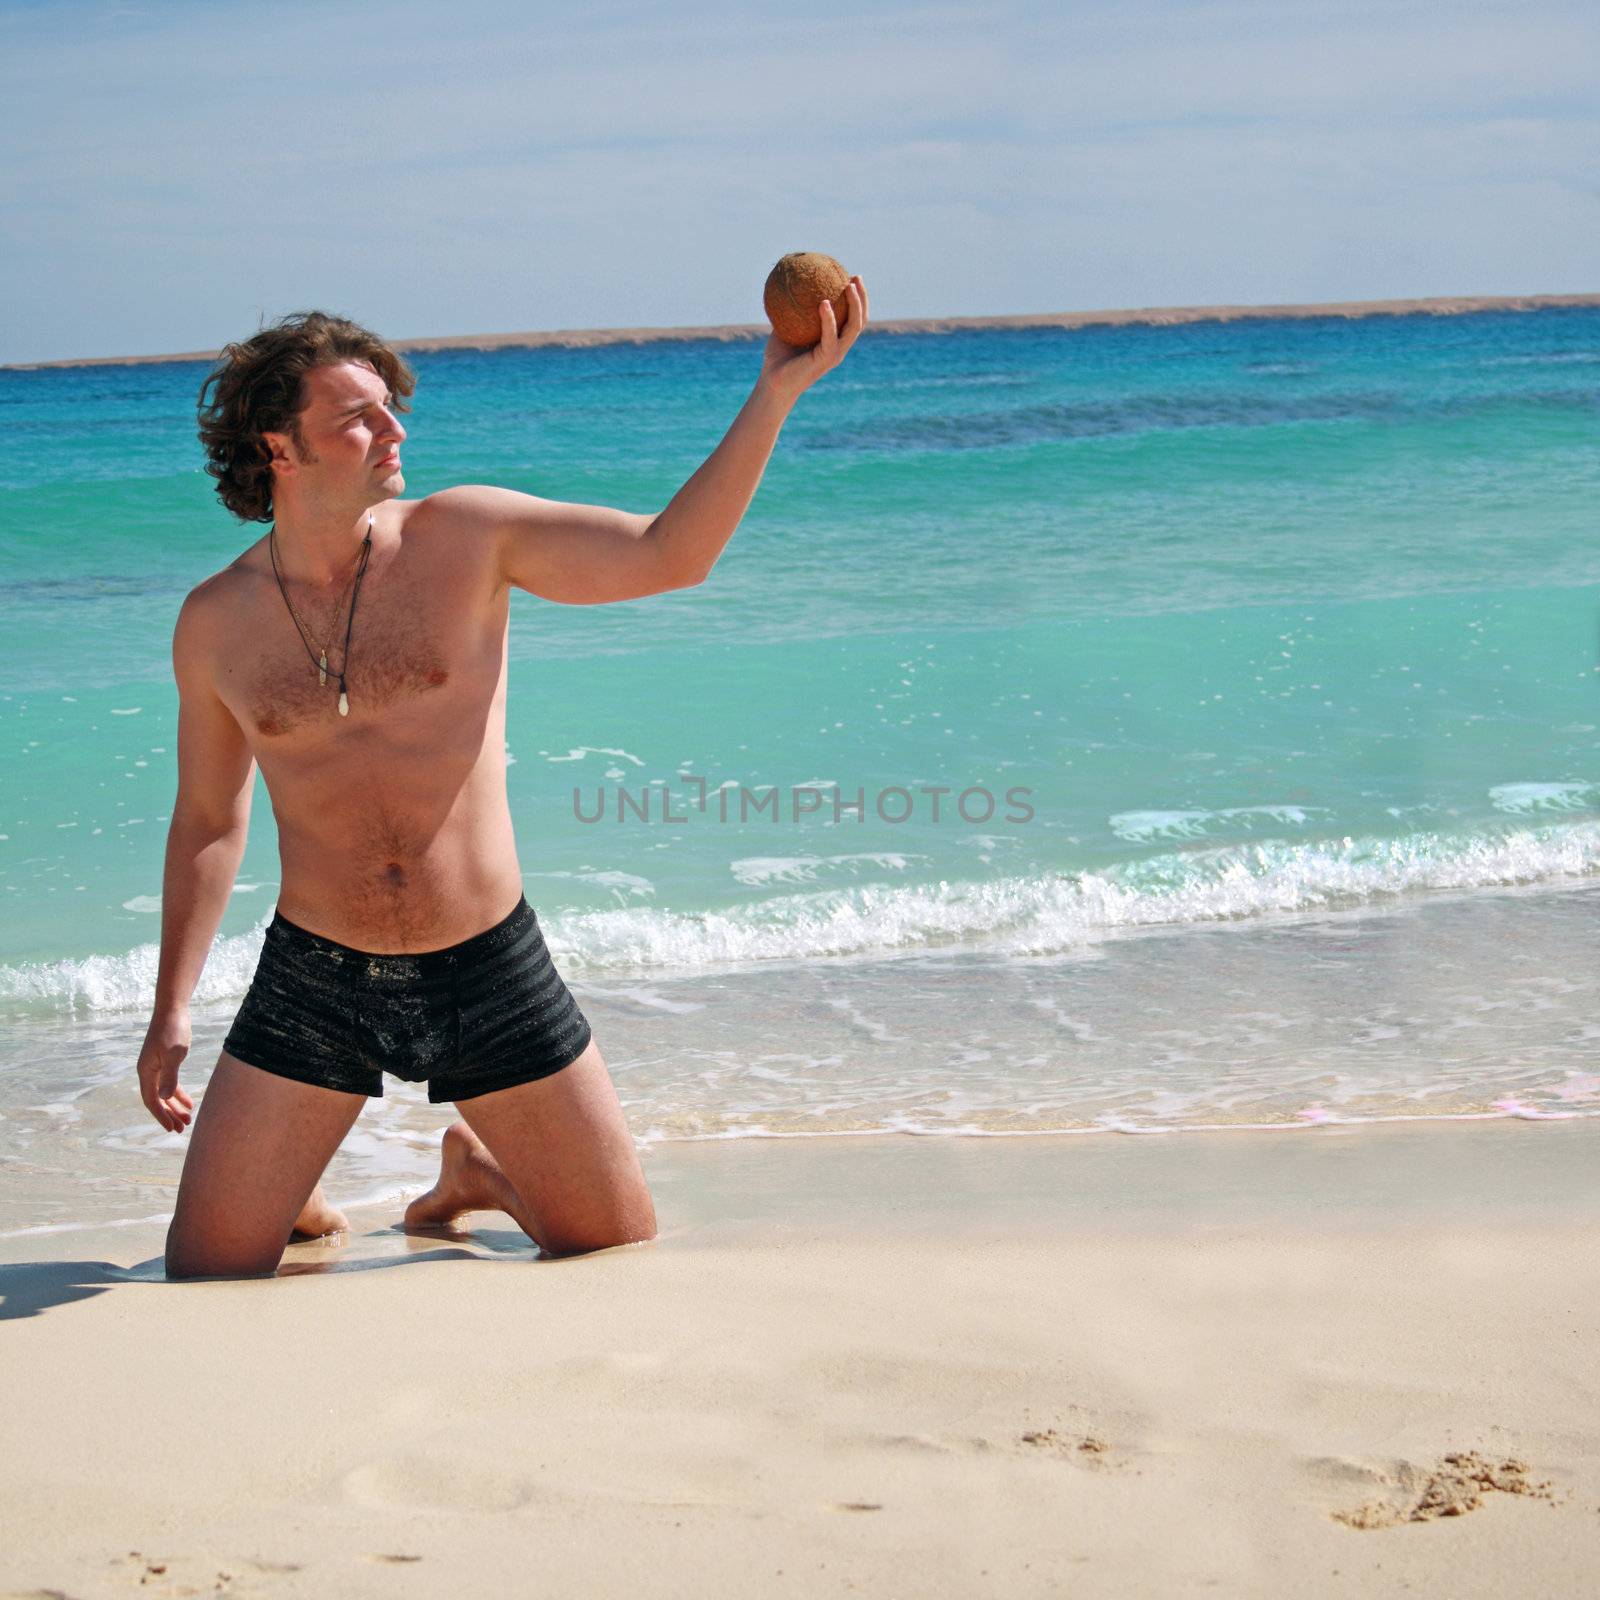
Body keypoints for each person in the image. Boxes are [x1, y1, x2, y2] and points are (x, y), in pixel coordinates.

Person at [139, 280, 868, 1278]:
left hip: (486, 965)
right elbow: (210, 822)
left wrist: (776, 394)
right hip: (315, 980)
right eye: (358, 417)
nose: (395, 427)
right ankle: (290, 1179)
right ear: (279, 444)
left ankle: (480, 1170)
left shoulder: (467, 536)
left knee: (611, 1250)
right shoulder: (215, 622)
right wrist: (172, 1006)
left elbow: (671, 554)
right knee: (206, 1273)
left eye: (393, 405)